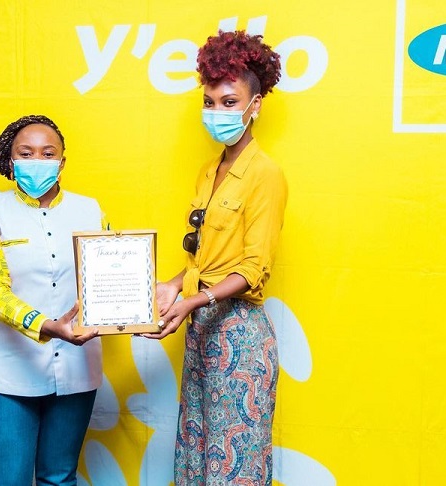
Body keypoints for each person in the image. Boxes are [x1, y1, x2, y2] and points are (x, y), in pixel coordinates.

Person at [143, 31, 288, 485]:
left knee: (233, 467)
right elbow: (205, 259)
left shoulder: (265, 174)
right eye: (209, 102)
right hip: (201, 330)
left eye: (229, 102)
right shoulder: (210, 171)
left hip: (239, 336)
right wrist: (172, 286)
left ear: (255, 104)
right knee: (196, 459)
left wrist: (192, 300)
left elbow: (253, 267)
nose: (216, 112)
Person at [0, 114, 102, 485]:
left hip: (77, 367)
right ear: (11, 162)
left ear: (62, 161)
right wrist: (46, 326)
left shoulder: (91, 211)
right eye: (26, 153)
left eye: (47, 153)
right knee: (8, 481)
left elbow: (106, 280)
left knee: (59, 478)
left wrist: (136, 312)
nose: (37, 161)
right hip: (11, 372)